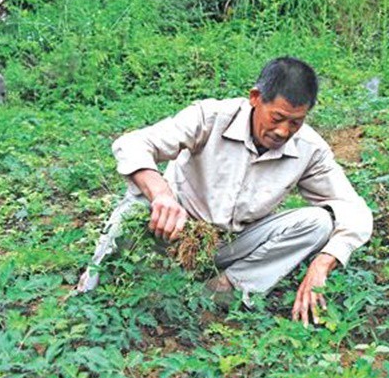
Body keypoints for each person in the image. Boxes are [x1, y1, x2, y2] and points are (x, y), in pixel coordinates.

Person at [78, 57, 373, 327]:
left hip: (233, 245)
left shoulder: (310, 149)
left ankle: (220, 292)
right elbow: (133, 144)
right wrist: (162, 195)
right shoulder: (211, 117)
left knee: (318, 223)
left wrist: (323, 261)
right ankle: (90, 292)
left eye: (295, 122)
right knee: (135, 205)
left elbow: (355, 212)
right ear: (256, 98)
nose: (284, 131)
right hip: (173, 233)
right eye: (277, 117)